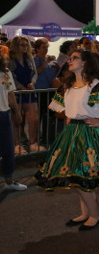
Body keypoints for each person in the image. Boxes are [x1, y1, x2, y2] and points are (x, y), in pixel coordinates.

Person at [35, 50, 99, 229]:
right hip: (71, 134)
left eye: (75, 58)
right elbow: (59, 108)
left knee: (83, 177)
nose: (70, 60)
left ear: (85, 63)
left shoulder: (95, 85)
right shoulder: (68, 86)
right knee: (75, 177)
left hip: (89, 135)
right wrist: (68, 116)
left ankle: (95, 215)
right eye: (70, 58)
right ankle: (85, 212)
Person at [9, 36, 40, 153]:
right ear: (16, 46)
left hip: (29, 91)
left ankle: (33, 143)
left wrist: (32, 82)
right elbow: (10, 74)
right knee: (17, 119)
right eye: (22, 45)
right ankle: (16, 145)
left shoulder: (29, 58)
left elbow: (35, 73)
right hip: (16, 93)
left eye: (26, 45)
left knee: (34, 118)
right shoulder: (10, 59)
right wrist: (18, 85)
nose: (25, 47)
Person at [0, 55, 27, 191]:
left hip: (4, 114)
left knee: (8, 149)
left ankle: (9, 181)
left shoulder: (5, 72)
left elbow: (10, 94)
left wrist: (16, 112)